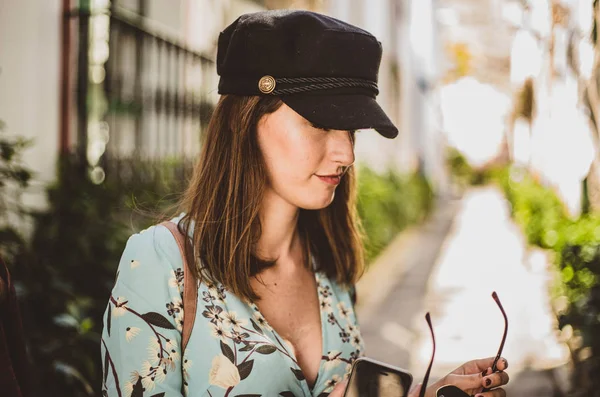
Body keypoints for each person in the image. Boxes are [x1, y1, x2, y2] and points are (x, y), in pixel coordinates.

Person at [101, 9, 509, 397]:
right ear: (246, 120)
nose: (346, 154)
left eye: (351, 129)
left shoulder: (331, 265)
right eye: (321, 123)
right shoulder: (161, 264)